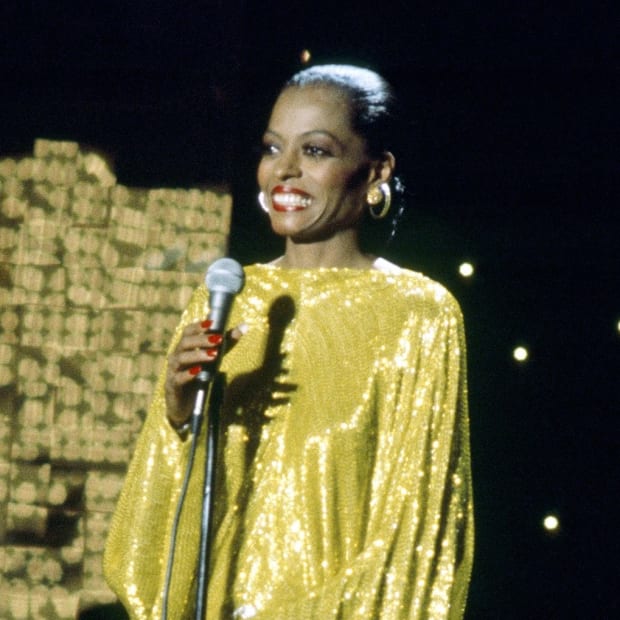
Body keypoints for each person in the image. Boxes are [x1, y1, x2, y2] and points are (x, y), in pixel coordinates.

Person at [104, 64, 474, 619]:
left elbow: (417, 528)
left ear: (375, 171)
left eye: (317, 151)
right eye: (273, 148)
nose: (285, 171)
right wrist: (180, 417)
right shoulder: (229, 300)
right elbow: (155, 532)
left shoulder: (418, 315)